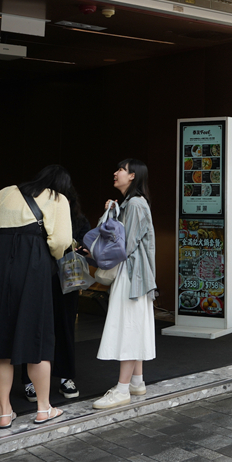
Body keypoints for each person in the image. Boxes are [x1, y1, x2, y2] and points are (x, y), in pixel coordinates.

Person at [0, 165, 74, 427]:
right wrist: (47, 256)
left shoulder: (6, 192)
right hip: (33, 262)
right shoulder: (58, 199)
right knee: (36, 334)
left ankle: (4, 413)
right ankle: (43, 408)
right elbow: (61, 241)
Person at [93, 159, 157, 409]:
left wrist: (110, 217)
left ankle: (121, 390)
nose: (116, 172)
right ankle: (136, 381)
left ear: (132, 176)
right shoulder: (132, 203)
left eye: (121, 169)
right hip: (136, 275)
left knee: (129, 327)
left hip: (132, 275)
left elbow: (124, 246)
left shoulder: (136, 204)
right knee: (135, 325)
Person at [23, 187, 89, 401]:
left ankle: (65, 377)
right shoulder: (36, 218)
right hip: (39, 277)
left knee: (65, 327)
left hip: (67, 279)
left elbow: (87, 242)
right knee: (34, 326)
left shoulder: (78, 221)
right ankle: (29, 380)